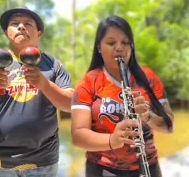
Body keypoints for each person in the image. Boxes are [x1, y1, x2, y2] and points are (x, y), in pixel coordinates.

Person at [0, 7, 73, 177]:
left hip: (44, 161)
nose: (21, 27)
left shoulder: (54, 65)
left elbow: (71, 104)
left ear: (39, 33)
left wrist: (44, 84)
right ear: (7, 32)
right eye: (15, 24)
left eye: (28, 24)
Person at [71, 15, 174, 177]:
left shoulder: (148, 78)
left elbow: (169, 127)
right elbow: (78, 136)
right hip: (102, 169)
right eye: (111, 43)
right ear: (99, 47)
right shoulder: (88, 82)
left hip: (147, 168)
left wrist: (148, 116)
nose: (120, 48)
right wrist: (113, 140)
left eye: (125, 42)